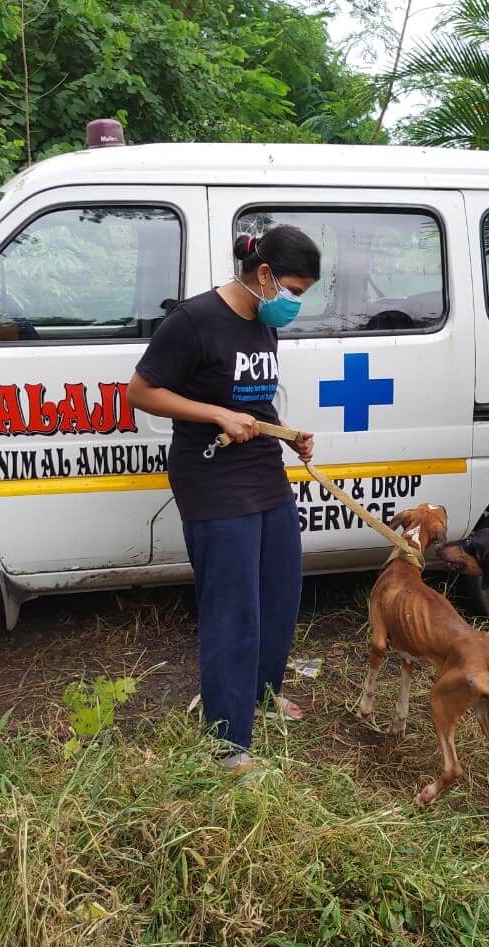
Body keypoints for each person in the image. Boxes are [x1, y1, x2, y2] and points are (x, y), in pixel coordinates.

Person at [129, 226, 321, 772]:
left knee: (280, 593)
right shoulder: (194, 321)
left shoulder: (263, 325)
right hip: (212, 481)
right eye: (294, 291)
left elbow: (254, 401)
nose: (294, 305)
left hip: (263, 472)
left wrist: (287, 433)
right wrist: (215, 415)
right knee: (233, 610)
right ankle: (228, 741)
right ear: (264, 275)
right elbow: (141, 391)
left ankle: (262, 693)